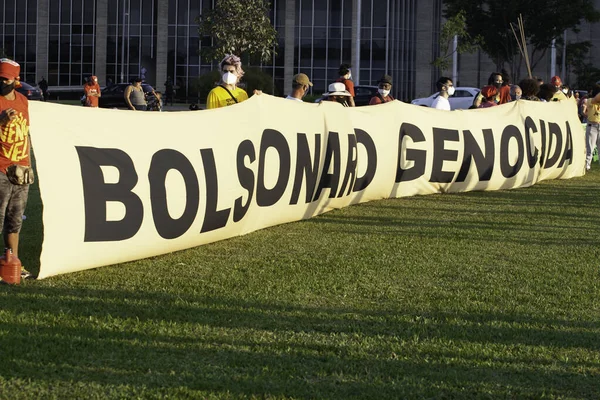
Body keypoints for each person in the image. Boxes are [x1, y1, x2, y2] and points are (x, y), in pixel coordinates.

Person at [0, 59, 32, 278]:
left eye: (6, 78)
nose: (2, 82)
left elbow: (26, 132)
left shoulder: (22, 100)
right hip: (1, 168)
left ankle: (13, 264)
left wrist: (28, 164)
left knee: (15, 221)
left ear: (16, 79)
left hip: (21, 170)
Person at [584, 84, 600, 171]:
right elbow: (595, 99)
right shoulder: (590, 100)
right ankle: (587, 165)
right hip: (592, 126)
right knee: (590, 147)